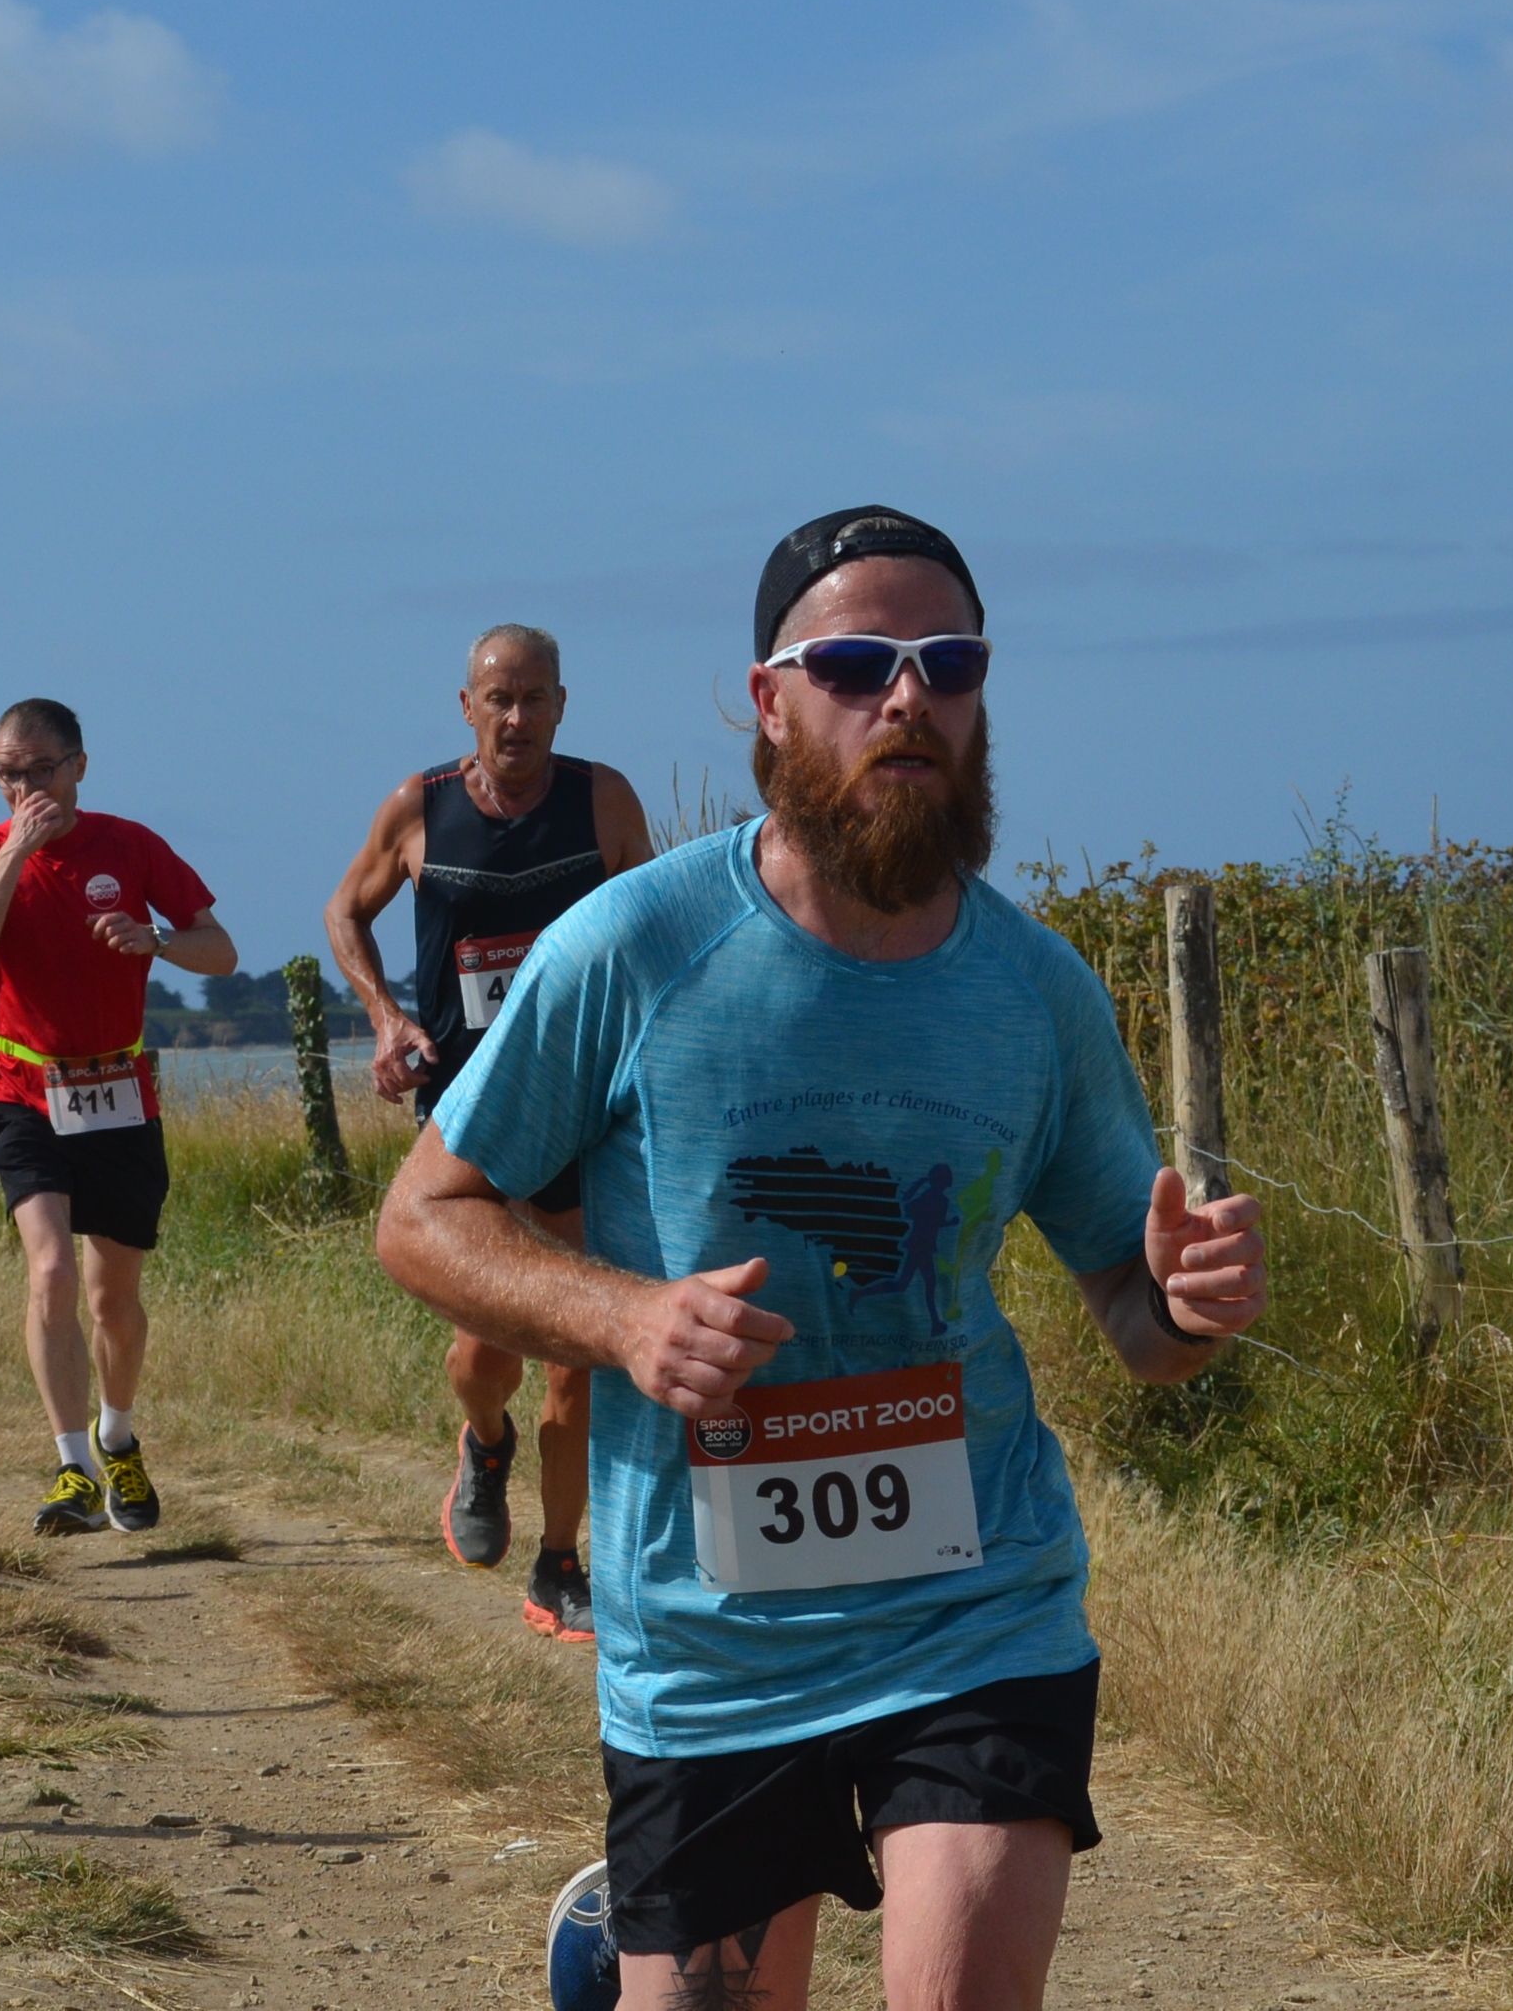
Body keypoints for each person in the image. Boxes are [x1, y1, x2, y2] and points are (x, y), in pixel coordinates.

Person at [375, 506, 1270, 2010]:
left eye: (949, 664)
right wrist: (626, 1318)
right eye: (857, 665)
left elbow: (1131, 1310)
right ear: (770, 701)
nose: (908, 697)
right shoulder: (635, 946)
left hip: (978, 1606)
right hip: (710, 1644)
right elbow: (424, 1217)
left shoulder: (1036, 991)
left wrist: (1184, 1306)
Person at [324, 624, 655, 1642]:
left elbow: (656, 928)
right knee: (484, 1352)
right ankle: (484, 1440)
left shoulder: (603, 802)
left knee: (576, 1351)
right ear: (466, 707)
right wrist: (386, 1017)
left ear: (562, 705)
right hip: (471, 1115)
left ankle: (560, 1563)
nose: (517, 718)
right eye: (498, 700)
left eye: (535, 698)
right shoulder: (418, 807)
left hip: (586, 1107)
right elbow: (344, 912)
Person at [0, 697, 237, 1538]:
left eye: (41, 769)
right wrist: (15, 853)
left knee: (113, 1299)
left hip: (116, 1092)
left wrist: (156, 939)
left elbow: (220, 951)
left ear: (79, 765)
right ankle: (71, 1463)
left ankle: (118, 1437)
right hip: (19, 1089)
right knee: (51, 1274)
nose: (25, 787)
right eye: (7, 773)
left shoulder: (131, 846)